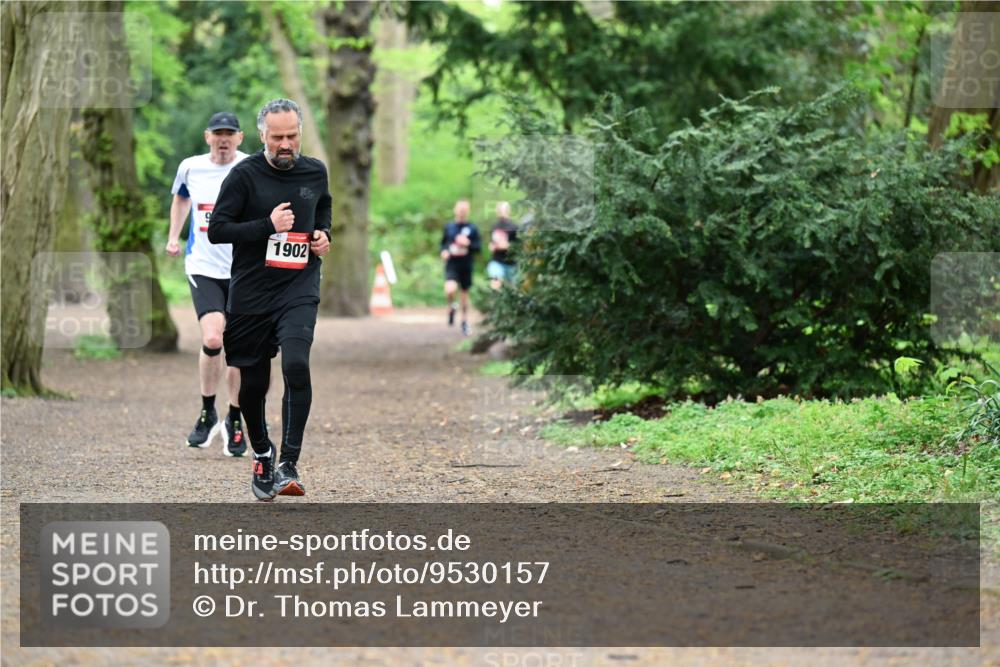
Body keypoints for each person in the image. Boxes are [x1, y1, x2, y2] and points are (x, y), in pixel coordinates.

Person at [208, 98, 331, 501]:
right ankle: (262, 452)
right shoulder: (244, 176)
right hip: (252, 292)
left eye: (292, 136)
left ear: (300, 133)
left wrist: (323, 234)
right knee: (253, 383)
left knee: (297, 364)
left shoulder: (315, 170)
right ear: (262, 135)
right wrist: (268, 225)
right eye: (277, 137)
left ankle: (289, 463)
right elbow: (218, 230)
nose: (285, 144)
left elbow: (322, 206)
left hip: (298, 286)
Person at [166, 112, 248, 456]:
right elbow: (182, 198)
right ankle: (206, 411)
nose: (224, 139)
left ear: (240, 137)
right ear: (207, 136)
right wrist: (173, 236)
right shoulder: (191, 167)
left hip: (245, 270)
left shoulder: (251, 167)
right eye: (218, 133)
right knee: (213, 337)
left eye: (230, 133)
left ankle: (235, 417)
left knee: (242, 349)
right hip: (203, 266)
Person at [440, 200, 481, 336]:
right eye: (460, 209)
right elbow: (443, 244)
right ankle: (452, 306)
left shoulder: (473, 228)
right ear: (455, 210)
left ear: (468, 211)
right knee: (450, 289)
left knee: (464, 296)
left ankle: (464, 321)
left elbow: (478, 247)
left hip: (466, 264)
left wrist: (468, 243)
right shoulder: (449, 227)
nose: (462, 211)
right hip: (452, 263)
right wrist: (444, 251)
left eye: (465, 209)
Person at [486, 201, 519, 289]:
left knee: (513, 288)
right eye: (498, 209)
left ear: (508, 211)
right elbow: (492, 242)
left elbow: (519, 246)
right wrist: (492, 246)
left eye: (502, 209)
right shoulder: (494, 226)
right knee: (495, 281)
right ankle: (494, 300)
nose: (500, 212)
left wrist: (507, 246)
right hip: (496, 261)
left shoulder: (514, 227)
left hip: (511, 263)